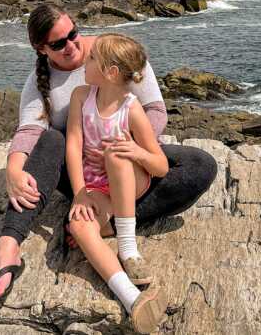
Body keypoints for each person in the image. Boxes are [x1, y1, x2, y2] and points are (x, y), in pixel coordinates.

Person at [0, 3, 218, 301]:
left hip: (127, 162)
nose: (72, 45)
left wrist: (126, 148)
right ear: (41, 49)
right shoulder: (46, 83)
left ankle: (104, 224)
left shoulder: (115, 53)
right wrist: (14, 170)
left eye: (73, 34)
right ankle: (9, 245)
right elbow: (30, 131)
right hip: (82, 171)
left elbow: (156, 111)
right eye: (58, 43)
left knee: (200, 165)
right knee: (52, 139)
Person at [66, 33, 168, 333]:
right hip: (96, 188)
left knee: (117, 153)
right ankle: (132, 298)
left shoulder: (131, 107)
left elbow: (160, 165)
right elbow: (73, 146)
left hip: (129, 181)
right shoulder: (81, 97)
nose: (85, 58)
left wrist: (136, 151)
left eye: (92, 57)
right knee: (78, 225)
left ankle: (128, 248)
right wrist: (80, 194)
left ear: (110, 72)